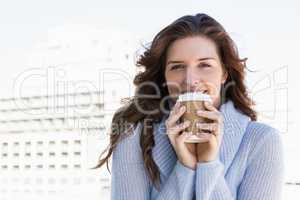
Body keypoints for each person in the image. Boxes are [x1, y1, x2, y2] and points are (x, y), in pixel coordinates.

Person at [93, 13, 285, 200]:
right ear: (164, 77)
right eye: (177, 67)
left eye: (204, 65)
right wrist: (185, 167)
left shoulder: (262, 141)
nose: (190, 80)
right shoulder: (133, 134)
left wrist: (208, 164)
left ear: (224, 73)